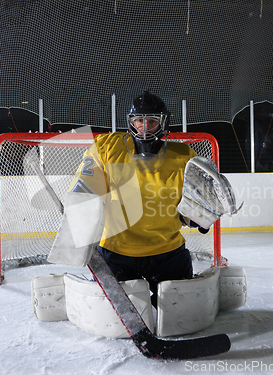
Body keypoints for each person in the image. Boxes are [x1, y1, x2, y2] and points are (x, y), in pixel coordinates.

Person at [69, 91, 206, 306]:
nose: (144, 127)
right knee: (111, 314)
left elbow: (188, 209)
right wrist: (81, 206)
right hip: (116, 252)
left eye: (151, 121)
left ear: (163, 123)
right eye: (139, 120)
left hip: (167, 252)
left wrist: (197, 217)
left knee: (180, 311)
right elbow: (85, 189)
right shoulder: (106, 148)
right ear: (130, 122)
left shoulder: (184, 156)